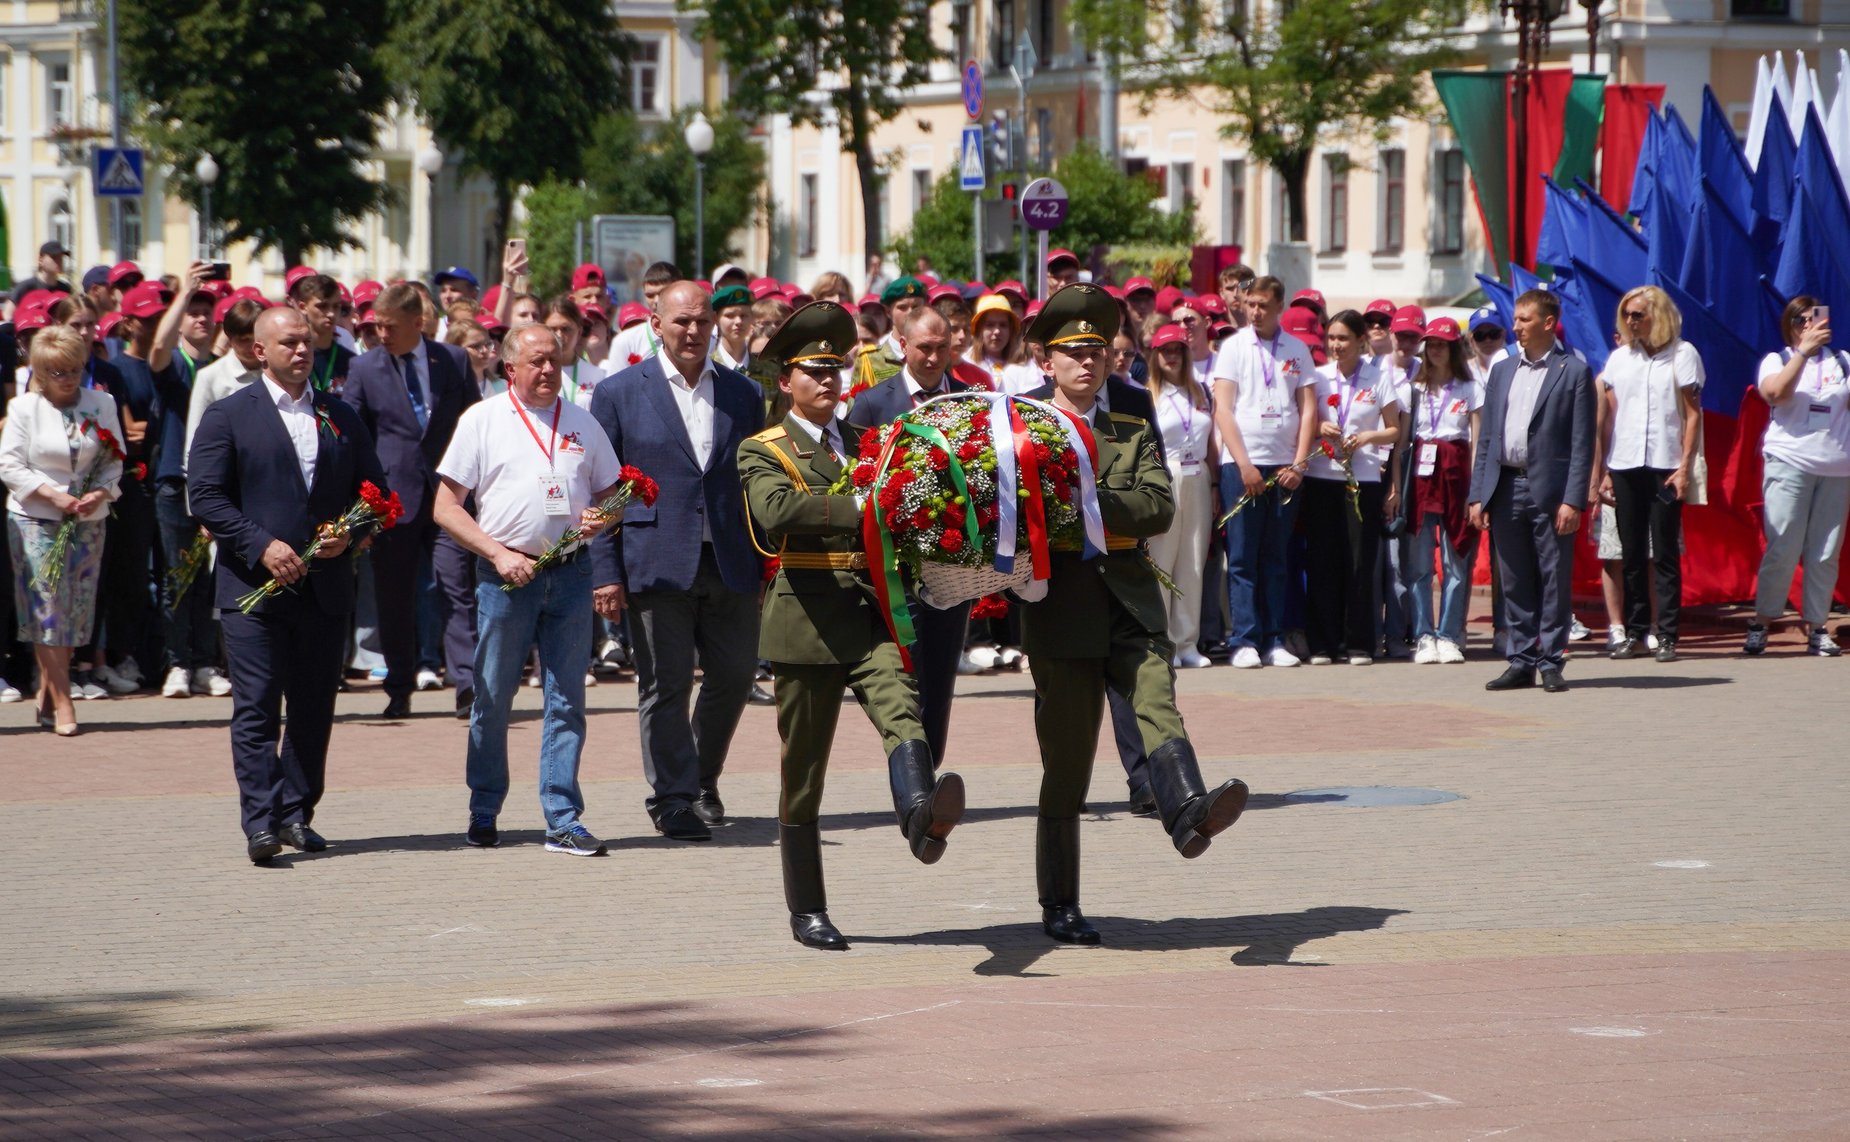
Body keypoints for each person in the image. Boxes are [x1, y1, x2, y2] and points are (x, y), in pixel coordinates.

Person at [1015, 283, 1248, 945]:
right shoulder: (1021, 422)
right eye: (1073, 353)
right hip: (1058, 607)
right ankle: (1059, 902)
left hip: (1128, 596)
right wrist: (1089, 504)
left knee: (1157, 698)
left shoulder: (1130, 416)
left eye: (1098, 351)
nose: (1088, 364)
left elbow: (1157, 506)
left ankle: (1187, 808)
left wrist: (1081, 500)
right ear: (1047, 361)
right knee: (1067, 766)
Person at [738, 301, 966, 950]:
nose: (829, 380)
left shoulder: (867, 441)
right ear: (785, 381)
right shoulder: (764, 449)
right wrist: (864, 504)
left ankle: (921, 816)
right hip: (805, 618)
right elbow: (777, 512)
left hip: (867, 611)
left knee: (905, 711)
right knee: (804, 774)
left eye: (836, 368)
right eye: (813, 369)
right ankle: (806, 908)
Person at [188, 308, 388, 863]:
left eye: (308, 342)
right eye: (289, 343)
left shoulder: (339, 414)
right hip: (253, 589)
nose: (301, 351)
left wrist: (349, 535)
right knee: (256, 707)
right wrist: (261, 544)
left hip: (324, 589)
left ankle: (297, 814)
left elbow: (375, 493)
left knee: (312, 707)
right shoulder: (229, 415)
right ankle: (260, 822)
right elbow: (204, 497)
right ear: (259, 351)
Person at [432, 324, 623, 854]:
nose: (547, 371)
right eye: (536, 361)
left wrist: (600, 517)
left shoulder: (581, 421)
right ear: (509, 369)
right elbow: (445, 507)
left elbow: (615, 495)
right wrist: (497, 553)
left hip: (569, 573)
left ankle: (562, 817)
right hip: (505, 576)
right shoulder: (483, 420)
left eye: (554, 361)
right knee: (492, 698)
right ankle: (484, 807)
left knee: (567, 700)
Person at [590, 281, 765, 840]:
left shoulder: (743, 394)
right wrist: (606, 571)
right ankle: (672, 797)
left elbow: (753, 481)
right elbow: (602, 492)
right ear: (655, 321)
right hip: (655, 558)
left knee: (735, 677)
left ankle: (701, 777)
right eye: (682, 321)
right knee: (664, 685)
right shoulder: (618, 393)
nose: (693, 331)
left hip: (731, 561)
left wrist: (766, 561)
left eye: (702, 321)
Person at [343, 283, 479, 718]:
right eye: (376, 326)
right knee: (394, 598)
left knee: (457, 589)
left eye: (390, 327)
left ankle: (469, 686)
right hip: (392, 503)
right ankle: (399, 687)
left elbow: (475, 423)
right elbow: (351, 437)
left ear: (418, 324)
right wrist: (359, 507)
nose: (381, 334)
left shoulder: (453, 361)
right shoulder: (365, 368)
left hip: (448, 496)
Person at [844, 306, 973, 765]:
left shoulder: (969, 400)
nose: (934, 357)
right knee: (902, 673)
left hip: (954, 568)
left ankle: (928, 769)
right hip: (893, 567)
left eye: (943, 348)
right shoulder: (872, 403)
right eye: (924, 348)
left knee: (939, 676)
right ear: (902, 344)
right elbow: (855, 482)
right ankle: (910, 765)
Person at [1469, 289, 1596, 693]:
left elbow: (1582, 442)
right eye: (1516, 319)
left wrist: (1574, 499)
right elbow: (1488, 437)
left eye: (1524, 319)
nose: (1516, 326)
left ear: (1547, 322)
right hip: (1506, 485)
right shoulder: (1502, 370)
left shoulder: (1573, 371)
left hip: (1551, 491)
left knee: (1553, 576)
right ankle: (1521, 659)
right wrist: (1479, 493)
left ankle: (1551, 659)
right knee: (1514, 578)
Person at [1, 325, 124, 736]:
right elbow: (10, 465)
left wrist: (101, 493)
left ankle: (48, 689)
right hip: (35, 517)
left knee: (74, 610)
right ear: (39, 371)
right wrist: (55, 497)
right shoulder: (23, 409)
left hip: (87, 519)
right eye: (57, 372)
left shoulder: (101, 402)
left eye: (73, 369)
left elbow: (114, 459)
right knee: (46, 607)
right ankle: (65, 697)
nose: (68, 378)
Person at [1211, 276, 1319, 669]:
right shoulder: (1233, 347)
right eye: (1251, 304)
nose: (1255, 311)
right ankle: (1244, 639)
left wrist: (1300, 462)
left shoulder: (1297, 349)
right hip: (1242, 465)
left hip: (1285, 465)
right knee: (1241, 556)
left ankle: (1274, 639)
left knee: (1276, 555)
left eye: (1263, 305)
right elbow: (1223, 409)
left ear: (1280, 308)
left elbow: (1308, 408)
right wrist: (1244, 465)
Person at [1591, 285, 1703, 664]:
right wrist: (1605, 469)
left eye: (1638, 314)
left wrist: (1685, 467)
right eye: (1627, 315)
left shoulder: (1683, 354)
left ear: (1658, 315)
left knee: (1665, 553)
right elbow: (1611, 417)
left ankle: (1666, 634)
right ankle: (1636, 633)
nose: (1631, 321)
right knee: (1632, 552)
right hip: (1625, 463)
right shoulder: (1621, 358)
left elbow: (1692, 415)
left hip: (1665, 464)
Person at [1746, 297, 1849, 657]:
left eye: (1815, 318)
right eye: (1800, 320)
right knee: (1784, 545)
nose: (1809, 325)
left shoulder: (1843, 362)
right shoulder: (1778, 360)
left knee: (1825, 552)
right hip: (1790, 461)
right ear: (1789, 325)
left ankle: (1818, 627)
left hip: (1836, 467)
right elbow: (1775, 393)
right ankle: (1762, 622)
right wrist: (1803, 353)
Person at [147, 265, 230, 701]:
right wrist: (184, 291)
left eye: (206, 313)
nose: (200, 318)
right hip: (174, 484)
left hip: (213, 485)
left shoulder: (219, 369)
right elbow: (157, 348)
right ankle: (178, 662)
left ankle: (204, 662)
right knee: (178, 577)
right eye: (193, 313)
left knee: (208, 579)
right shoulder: (176, 366)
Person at [1301, 310, 1402, 666]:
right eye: (1331, 338)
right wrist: (1320, 429)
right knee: (1322, 560)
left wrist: (1368, 437)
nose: (1336, 345)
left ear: (1361, 341)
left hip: (1363, 480)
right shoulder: (1318, 377)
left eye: (1343, 339)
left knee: (1360, 562)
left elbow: (1394, 430)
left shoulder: (1378, 378)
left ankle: (1359, 642)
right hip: (1320, 478)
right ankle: (1323, 644)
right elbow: (1304, 423)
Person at [1392, 317, 1480, 664]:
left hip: (1457, 478)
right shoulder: (1412, 389)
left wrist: (1477, 492)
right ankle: (1424, 634)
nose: (1437, 349)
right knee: (1418, 564)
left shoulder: (1470, 388)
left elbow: (1477, 442)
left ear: (1455, 347)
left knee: (1455, 560)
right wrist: (1396, 490)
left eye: (1444, 343)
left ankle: (1449, 634)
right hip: (1421, 479)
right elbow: (1401, 446)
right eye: (1432, 343)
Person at [1144, 323, 1216, 668]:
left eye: (1177, 349)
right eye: (1165, 350)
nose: (1171, 356)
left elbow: (1212, 442)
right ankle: (1162, 641)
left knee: (1193, 560)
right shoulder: (1149, 395)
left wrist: (1215, 485)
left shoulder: (1200, 391)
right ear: (1155, 356)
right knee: (1162, 558)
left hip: (1198, 474)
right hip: (1165, 473)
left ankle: (1187, 642)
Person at [185, 298, 270, 471]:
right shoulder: (210, 377)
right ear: (230, 338)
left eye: (256, 339)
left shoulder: (277, 373)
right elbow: (195, 441)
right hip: (226, 472)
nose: (251, 346)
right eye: (243, 340)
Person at [600, 261, 680, 372]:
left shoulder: (697, 335)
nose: (656, 301)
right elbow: (616, 387)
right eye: (650, 295)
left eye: (662, 292)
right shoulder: (625, 341)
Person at [288, 275, 356, 396]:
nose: (331, 313)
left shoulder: (352, 362)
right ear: (303, 307)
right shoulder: (292, 357)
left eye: (336, 306)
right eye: (322, 306)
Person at [968, 294, 1041, 395]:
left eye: (1003, 325)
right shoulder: (966, 362)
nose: (997, 331)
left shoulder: (1025, 365)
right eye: (990, 325)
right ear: (979, 329)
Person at [446, 318, 504, 399]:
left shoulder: (502, 386)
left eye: (488, 344)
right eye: (476, 346)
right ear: (455, 349)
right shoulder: (445, 388)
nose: (485, 350)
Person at [10, 242, 71, 306]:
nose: (59, 261)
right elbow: (7, 314)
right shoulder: (25, 287)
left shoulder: (65, 289)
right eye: (54, 257)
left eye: (61, 257)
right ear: (40, 260)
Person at [710, 284, 754, 373]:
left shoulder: (770, 369)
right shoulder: (707, 367)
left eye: (744, 315)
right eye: (730, 315)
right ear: (715, 318)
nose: (738, 321)